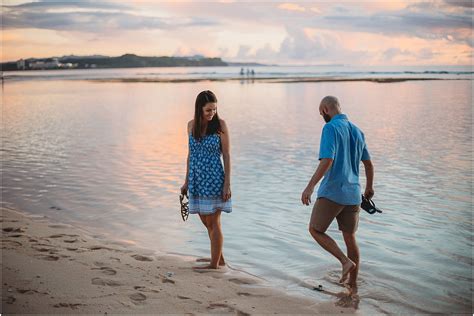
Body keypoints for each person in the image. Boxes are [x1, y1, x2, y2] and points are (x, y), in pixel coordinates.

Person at [301, 96, 374, 289]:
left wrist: (310, 187)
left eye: (321, 114)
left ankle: (344, 262)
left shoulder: (330, 128)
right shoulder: (358, 131)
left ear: (325, 109)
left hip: (333, 192)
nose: (322, 118)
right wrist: (369, 188)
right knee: (350, 237)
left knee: (315, 230)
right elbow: (368, 164)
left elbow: (327, 160)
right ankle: (352, 286)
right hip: (353, 195)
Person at [181, 90, 232, 270]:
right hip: (196, 179)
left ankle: (214, 265)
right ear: (199, 109)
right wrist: (186, 181)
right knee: (206, 221)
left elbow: (226, 155)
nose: (212, 114)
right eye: (208, 110)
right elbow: (190, 155)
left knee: (213, 222)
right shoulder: (191, 125)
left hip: (213, 179)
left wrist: (227, 184)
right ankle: (219, 258)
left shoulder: (220, 125)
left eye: (214, 110)